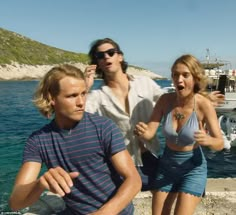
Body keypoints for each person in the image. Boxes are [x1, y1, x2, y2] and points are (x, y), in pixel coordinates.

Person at [84, 38, 224, 193]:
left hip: (149, 157)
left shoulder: (145, 83)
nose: (106, 57)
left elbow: (174, 99)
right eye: (100, 55)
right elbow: (77, 116)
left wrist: (202, 99)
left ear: (120, 56)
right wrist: (85, 87)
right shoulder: (96, 96)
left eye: (110, 52)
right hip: (120, 161)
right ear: (96, 62)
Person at [9, 64, 141, 215]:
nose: (81, 102)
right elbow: (15, 203)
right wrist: (40, 184)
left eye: (83, 94)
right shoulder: (38, 141)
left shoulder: (103, 127)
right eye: (72, 96)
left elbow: (134, 180)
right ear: (52, 98)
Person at [135, 54, 224, 215]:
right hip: (167, 166)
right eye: (175, 75)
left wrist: (209, 140)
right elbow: (150, 133)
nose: (179, 79)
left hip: (192, 168)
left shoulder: (204, 105)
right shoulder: (165, 100)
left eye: (185, 75)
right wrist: (141, 132)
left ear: (196, 78)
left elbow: (219, 143)